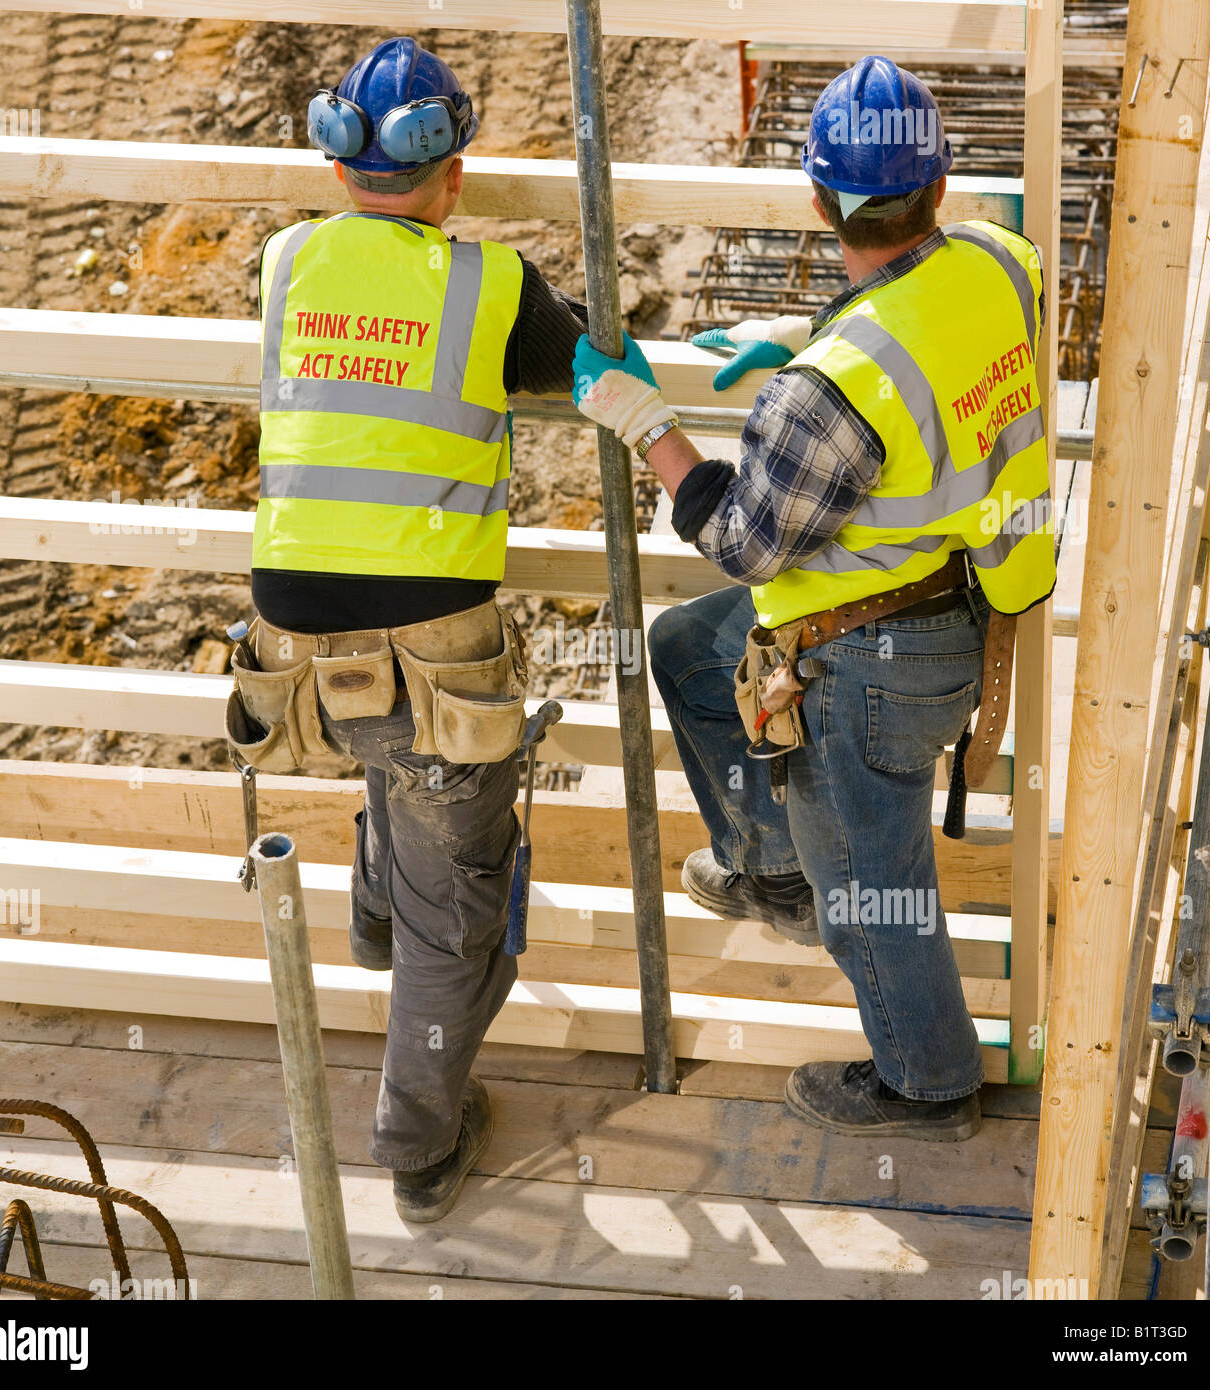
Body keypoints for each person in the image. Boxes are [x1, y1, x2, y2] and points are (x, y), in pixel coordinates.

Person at [572, 56, 1055, 1142]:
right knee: (693, 649)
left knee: (877, 896)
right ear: (938, 186)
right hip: (953, 604)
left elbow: (742, 540)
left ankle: (928, 1084)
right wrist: (800, 341)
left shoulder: (827, 397)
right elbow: (924, 327)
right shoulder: (997, 260)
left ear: (817, 200)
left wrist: (647, 424)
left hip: (867, 667)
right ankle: (777, 866)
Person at [227, 37, 588, 1220]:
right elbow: (582, 359)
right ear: (456, 173)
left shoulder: (283, 261)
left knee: (390, 774)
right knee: (460, 900)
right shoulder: (493, 286)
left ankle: (381, 935)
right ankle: (417, 1144)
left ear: (339, 170)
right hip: (427, 646)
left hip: (289, 641)